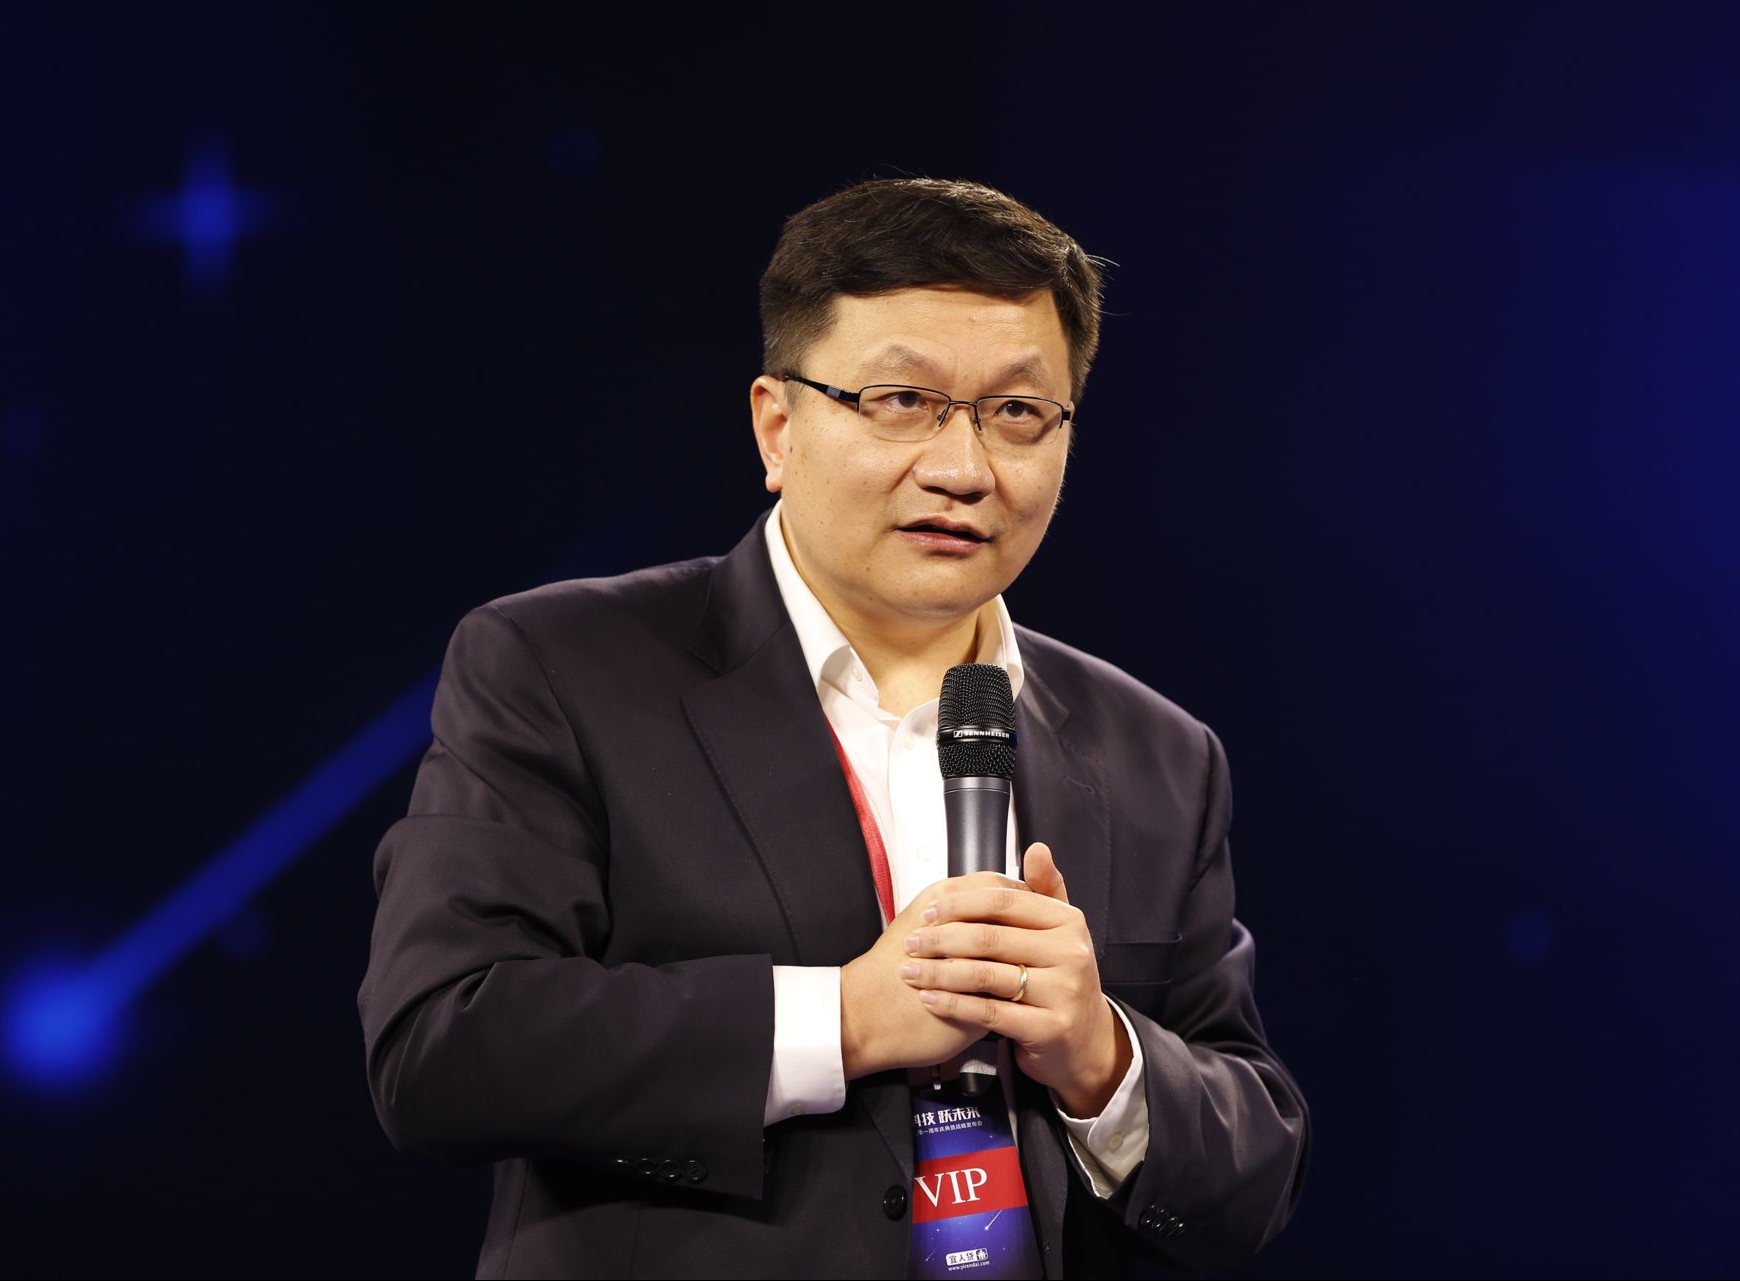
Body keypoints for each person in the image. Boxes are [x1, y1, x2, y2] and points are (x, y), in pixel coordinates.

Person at [357, 178, 1309, 1279]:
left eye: (1017, 413)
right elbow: (442, 1048)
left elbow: (1255, 1169)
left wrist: (1102, 1057)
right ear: (777, 425)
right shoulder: (562, 667)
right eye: (903, 399)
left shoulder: (1158, 752)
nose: (962, 469)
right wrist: (846, 1018)